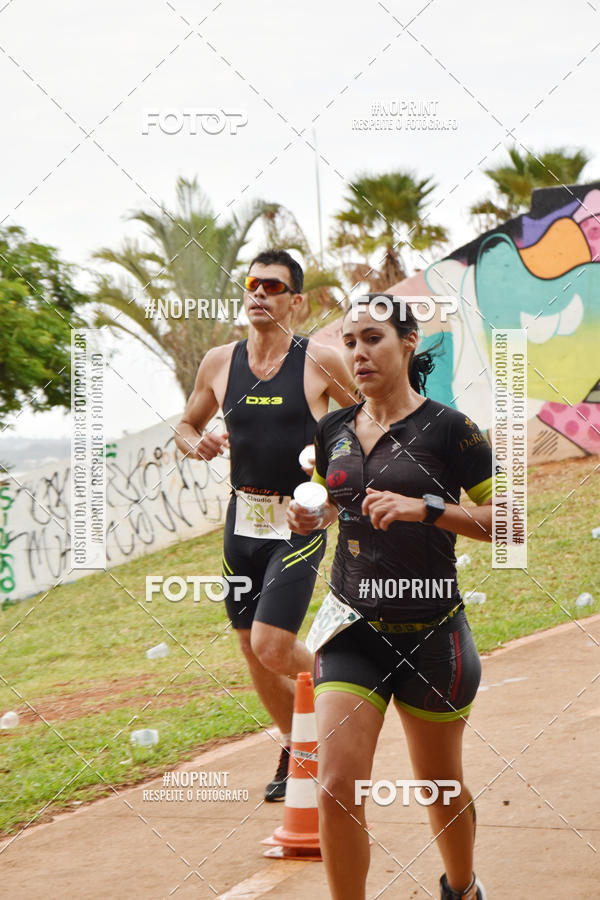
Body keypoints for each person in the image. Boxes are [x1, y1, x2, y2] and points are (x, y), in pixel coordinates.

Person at [288, 295, 495, 899]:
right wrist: (313, 516)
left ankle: (462, 888)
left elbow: (509, 522)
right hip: (351, 631)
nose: (358, 353)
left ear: (408, 342)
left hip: (432, 636)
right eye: (350, 342)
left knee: (439, 786)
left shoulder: (452, 430)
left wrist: (424, 508)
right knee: (336, 786)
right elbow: (334, 504)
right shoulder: (332, 430)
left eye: (373, 338)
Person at [174, 249, 356, 801]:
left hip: (298, 519)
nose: (258, 293)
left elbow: (365, 426)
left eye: (272, 286)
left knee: (272, 644)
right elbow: (185, 426)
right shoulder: (218, 363)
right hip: (242, 524)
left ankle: (355, 687)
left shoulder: (320, 360)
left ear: (295, 302)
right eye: (252, 283)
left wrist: (332, 482)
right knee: (251, 649)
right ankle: (296, 746)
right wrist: (198, 443)